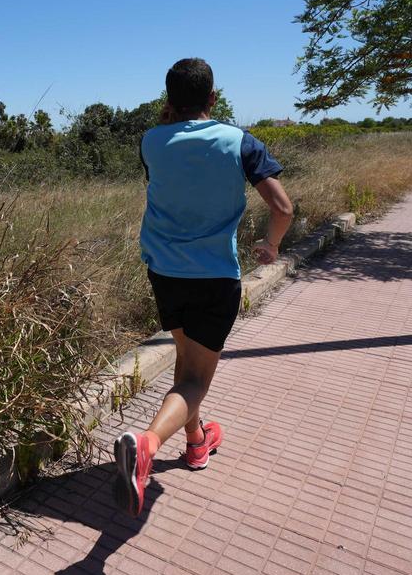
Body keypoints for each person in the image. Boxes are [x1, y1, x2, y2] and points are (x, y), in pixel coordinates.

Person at [113, 58, 294, 517]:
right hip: (214, 276)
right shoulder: (239, 142)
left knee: (185, 366)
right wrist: (271, 245)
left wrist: (169, 118)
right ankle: (147, 444)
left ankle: (196, 441)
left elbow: (164, 162)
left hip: (165, 274)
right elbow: (283, 207)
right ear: (213, 98)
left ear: (168, 101)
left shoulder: (149, 141)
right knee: (195, 379)